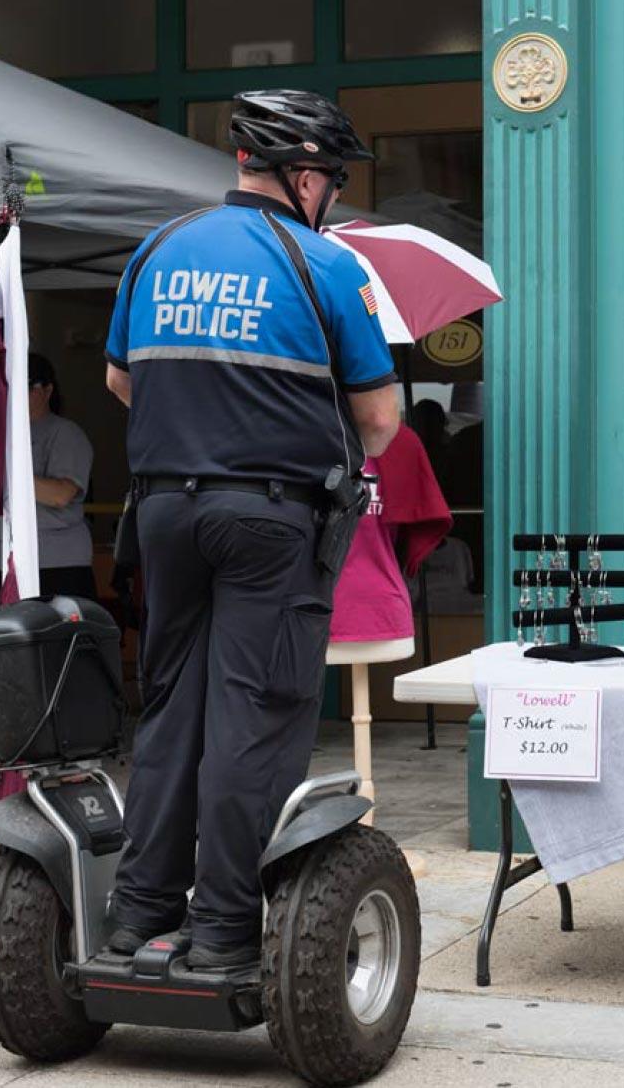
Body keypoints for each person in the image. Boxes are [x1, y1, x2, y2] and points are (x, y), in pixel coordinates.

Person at [101, 89, 400, 973]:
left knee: (170, 709)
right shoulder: (325, 265)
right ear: (304, 176)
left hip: (163, 510)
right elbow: (378, 420)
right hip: (270, 518)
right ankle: (224, 926)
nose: (333, 197)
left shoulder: (156, 250)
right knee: (255, 714)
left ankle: (138, 910)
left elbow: (124, 384)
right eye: (332, 181)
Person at [0, 352, 96, 778]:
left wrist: (1, 473)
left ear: (46, 389)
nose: (15, 395)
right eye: (7, 387)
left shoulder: (65, 434)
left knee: (62, 660)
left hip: (55, 562)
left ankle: (73, 754)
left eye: (26, 386)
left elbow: (63, 493)